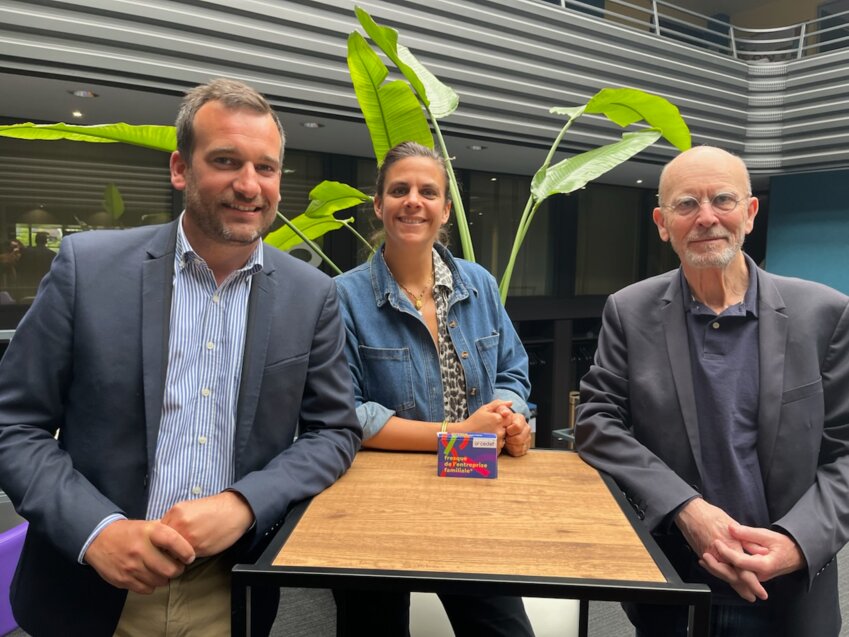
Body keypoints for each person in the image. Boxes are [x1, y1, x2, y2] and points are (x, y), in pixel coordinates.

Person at [0, 78, 362, 637]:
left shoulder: (310, 295)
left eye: (265, 168)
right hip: (91, 588)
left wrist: (245, 503)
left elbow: (333, 432)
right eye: (225, 160)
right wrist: (97, 531)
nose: (249, 185)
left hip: (230, 590)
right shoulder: (86, 270)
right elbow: (14, 425)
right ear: (180, 168)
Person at [576, 145, 849, 637]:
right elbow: (597, 423)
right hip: (675, 588)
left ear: (750, 212)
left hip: (790, 598)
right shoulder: (629, 311)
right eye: (686, 205)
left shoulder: (824, 315)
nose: (706, 218)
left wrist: (796, 542)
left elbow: (846, 453)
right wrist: (686, 508)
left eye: (722, 199)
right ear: (662, 223)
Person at [333, 141, 534, 636]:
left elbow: (512, 369)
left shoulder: (479, 284)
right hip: (378, 506)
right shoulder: (344, 297)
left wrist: (514, 418)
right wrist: (459, 432)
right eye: (399, 190)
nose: (413, 201)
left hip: (473, 494)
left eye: (428, 191)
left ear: (445, 209)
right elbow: (349, 413)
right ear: (378, 205)